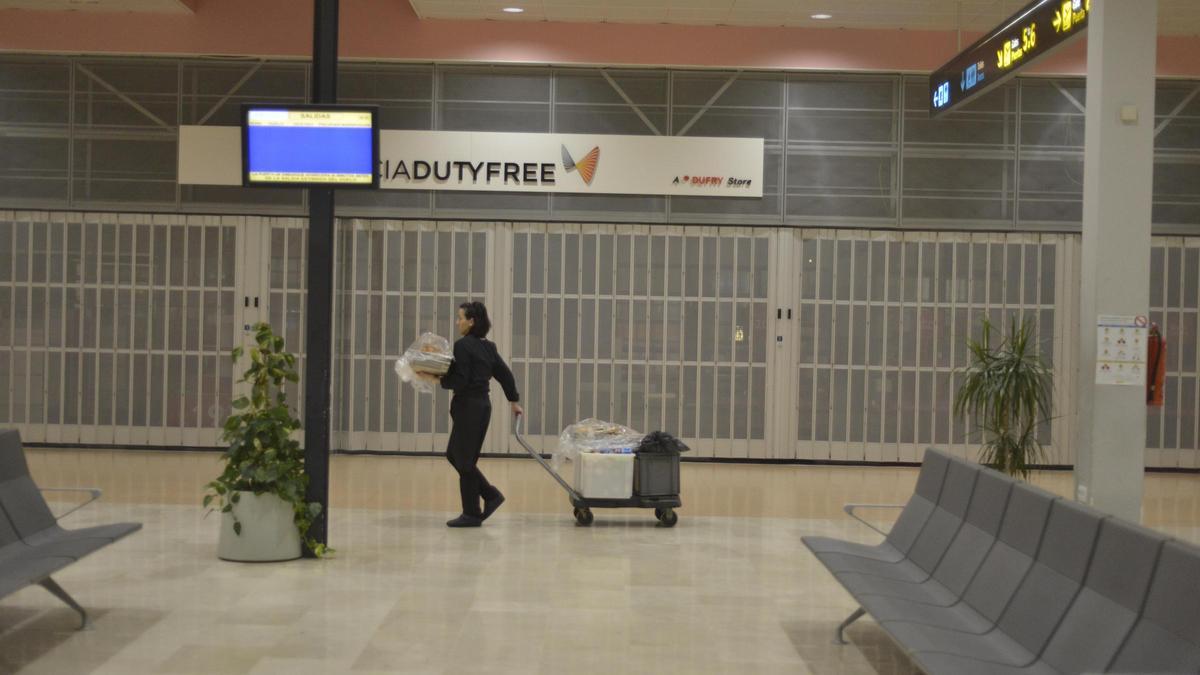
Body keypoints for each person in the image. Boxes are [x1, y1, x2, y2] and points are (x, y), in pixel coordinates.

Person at [420, 301, 522, 528]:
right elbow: (505, 374)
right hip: (482, 407)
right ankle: (489, 496)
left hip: (469, 407)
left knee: (463, 460)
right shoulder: (488, 347)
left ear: (472, 321)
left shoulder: (463, 346)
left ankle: (473, 512)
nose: (457, 322)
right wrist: (513, 401)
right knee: (456, 455)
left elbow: (460, 380)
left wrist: (438, 377)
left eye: (460, 318)